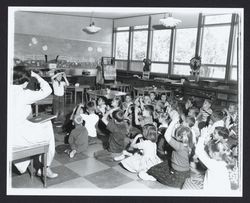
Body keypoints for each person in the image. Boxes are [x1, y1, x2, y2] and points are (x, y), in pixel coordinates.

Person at [10, 66, 58, 178]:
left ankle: (25, 164)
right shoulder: (24, 94)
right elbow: (48, 90)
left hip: (8, 135)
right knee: (47, 127)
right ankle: (45, 168)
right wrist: (36, 76)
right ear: (26, 81)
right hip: (19, 138)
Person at [139, 115, 194, 188]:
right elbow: (172, 136)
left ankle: (152, 176)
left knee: (154, 171)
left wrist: (173, 121)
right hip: (186, 173)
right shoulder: (188, 144)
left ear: (180, 137)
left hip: (177, 177)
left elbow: (167, 135)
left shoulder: (179, 146)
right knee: (165, 163)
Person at [195, 127, 231, 192]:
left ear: (214, 154)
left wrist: (202, 137)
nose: (208, 152)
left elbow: (199, 152)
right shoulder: (222, 161)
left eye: (209, 151)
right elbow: (206, 157)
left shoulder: (214, 165)